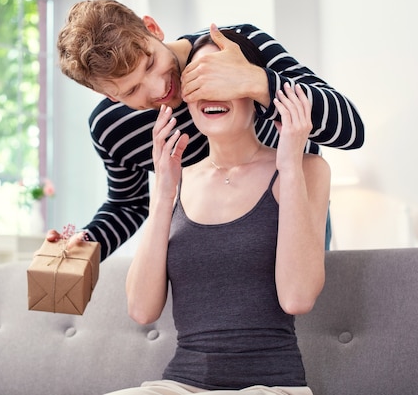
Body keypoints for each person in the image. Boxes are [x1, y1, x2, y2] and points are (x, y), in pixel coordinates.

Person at [107, 30, 330, 394]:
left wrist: (289, 165)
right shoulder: (174, 181)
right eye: (197, 81)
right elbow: (142, 310)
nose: (209, 93)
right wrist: (163, 194)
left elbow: (297, 297)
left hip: (271, 386)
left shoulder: (305, 169)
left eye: (221, 79)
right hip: (182, 384)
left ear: (251, 90)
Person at [51, 0, 360, 259]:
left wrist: (254, 80)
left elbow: (350, 130)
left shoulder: (236, 47)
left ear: (153, 29)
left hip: (293, 212)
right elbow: (128, 204)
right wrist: (87, 242)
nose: (159, 89)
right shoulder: (111, 128)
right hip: (208, 230)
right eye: (131, 91)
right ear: (108, 95)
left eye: (149, 64)